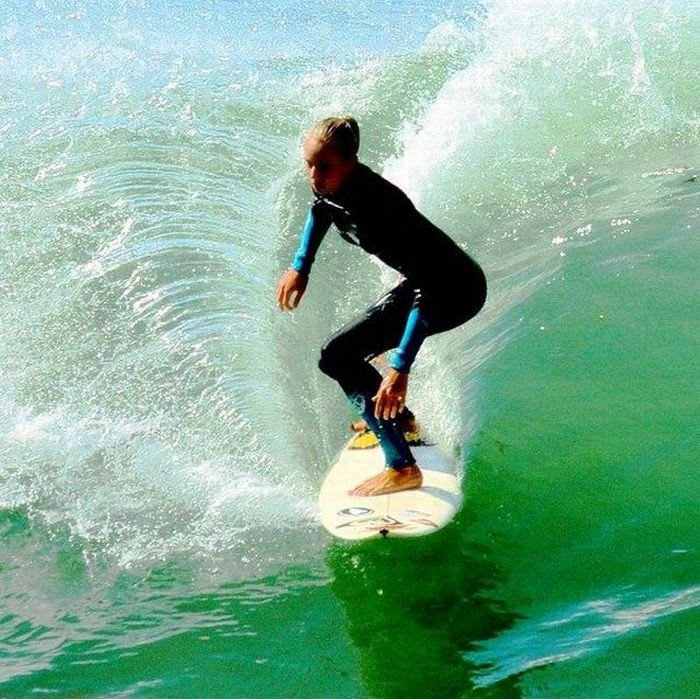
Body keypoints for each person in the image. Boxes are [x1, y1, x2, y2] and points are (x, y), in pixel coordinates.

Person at [276, 116, 486, 496]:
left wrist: (399, 367)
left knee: (338, 355)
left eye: (323, 166)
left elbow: (430, 289)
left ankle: (402, 467)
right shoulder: (335, 189)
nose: (313, 175)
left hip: (456, 290)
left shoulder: (381, 206)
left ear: (350, 163)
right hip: (427, 282)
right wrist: (300, 267)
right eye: (308, 164)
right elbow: (321, 210)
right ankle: (400, 422)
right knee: (342, 354)